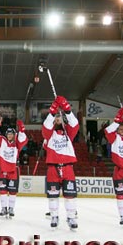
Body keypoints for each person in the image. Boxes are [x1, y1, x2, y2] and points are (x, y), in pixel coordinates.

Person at [42, 96, 80, 230]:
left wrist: (68, 110)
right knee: (53, 196)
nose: (57, 119)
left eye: (59, 117)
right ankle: (54, 216)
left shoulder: (68, 133)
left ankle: (71, 217)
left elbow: (75, 124)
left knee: (70, 196)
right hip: (53, 169)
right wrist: (52, 111)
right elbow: (46, 126)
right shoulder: (49, 134)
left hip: (68, 168)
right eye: (55, 117)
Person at [0, 114, 28, 219]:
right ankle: (4, 208)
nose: (9, 135)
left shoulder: (17, 142)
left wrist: (21, 130)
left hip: (13, 170)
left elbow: (23, 139)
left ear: (14, 134)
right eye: (8, 134)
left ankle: (11, 209)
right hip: (3, 170)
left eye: (11, 134)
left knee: (12, 190)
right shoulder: (2, 140)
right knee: (3, 190)